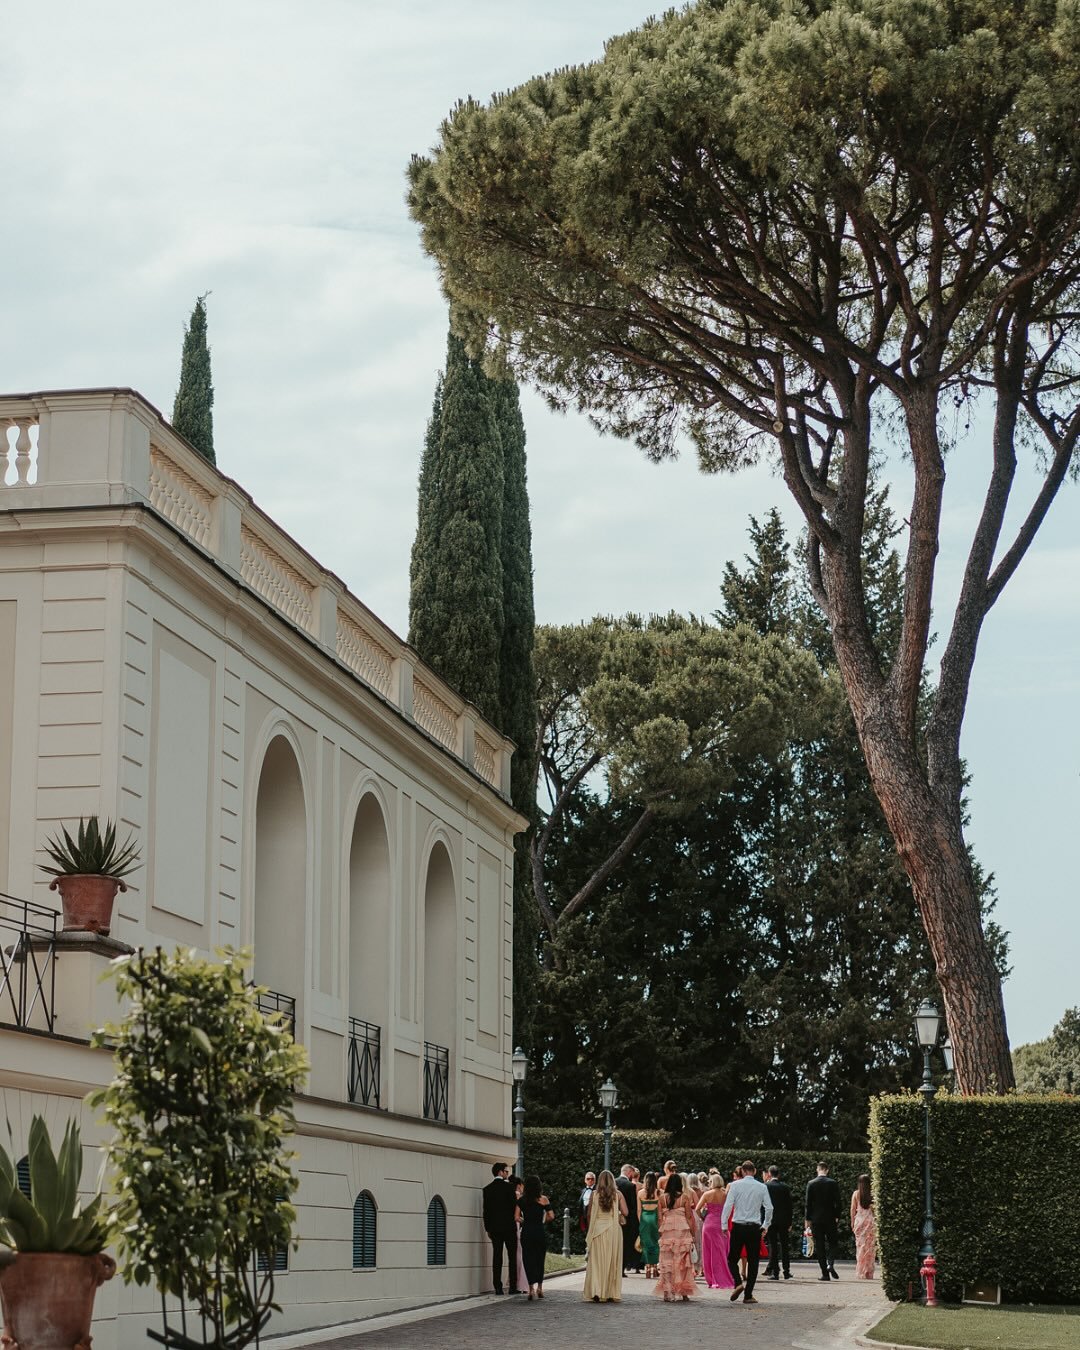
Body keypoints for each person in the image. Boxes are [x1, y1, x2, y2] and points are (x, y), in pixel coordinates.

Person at [720, 1159, 772, 1305]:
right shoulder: (761, 1187)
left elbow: (728, 1205)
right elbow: (769, 1208)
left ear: (742, 1171)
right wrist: (765, 1225)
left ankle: (737, 1282)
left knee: (732, 1259)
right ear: (754, 1171)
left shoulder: (735, 1186)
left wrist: (724, 1225)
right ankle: (748, 1294)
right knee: (753, 1261)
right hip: (754, 1227)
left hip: (738, 1226)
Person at [582, 1169, 627, 1303]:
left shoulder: (594, 1195)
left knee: (596, 1262)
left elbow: (589, 1214)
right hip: (613, 1230)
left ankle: (597, 1290)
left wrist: (592, 1228)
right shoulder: (617, 1194)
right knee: (612, 1261)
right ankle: (610, 1292)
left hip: (597, 1229)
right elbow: (626, 1212)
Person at [655, 1171, 697, 1302]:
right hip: (682, 1229)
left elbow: (659, 1218)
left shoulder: (662, 1198)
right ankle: (683, 1291)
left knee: (667, 1261)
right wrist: (692, 1233)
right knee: (683, 1261)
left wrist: (661, 1232)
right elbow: (689, 1217)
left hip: (667, 1230)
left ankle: (668, 1292)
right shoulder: (684, 1197)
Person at [482, 1161, 519, 1294]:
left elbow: (486, 1211)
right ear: (500, 1172)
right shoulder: (510, 1187)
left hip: (495, 1228)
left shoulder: (487, 1189)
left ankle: (498, 1287)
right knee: (512, 1257)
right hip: (509, 1227)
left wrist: (488, 1228)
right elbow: (514, 1206)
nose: (507, 1174)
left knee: (497, 1257)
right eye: (506, 1171)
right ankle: (513, 1287)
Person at [695, 1170, 733, 1289]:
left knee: (708, 1251)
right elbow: (730, 1209)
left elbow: (697, 1209)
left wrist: (703, 1218)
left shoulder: (707, 1194)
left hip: (709, 1223)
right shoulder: (726, 1195)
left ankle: (711, 1278)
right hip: (721, 1224)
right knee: (722, 1252)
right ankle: (723, 1276)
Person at [805, 1161, 842, 1281]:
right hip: (830, 1217)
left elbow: (808, 1204)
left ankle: (825, 1274)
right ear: (827, 1170)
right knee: (833, 1242)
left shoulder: (811, 1183)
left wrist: (807, 1219)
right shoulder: (833, 1183)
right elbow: (838, 1202)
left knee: (819, 1245)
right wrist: (837, 1215)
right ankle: (830, 1263)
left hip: (816, 1219)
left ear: (818, 1169)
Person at [519, 1175, 555, 1299]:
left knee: (528, 1259)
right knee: (540, 1258)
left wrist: (524, 1221)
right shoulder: (543, 1199)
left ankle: (530, 1289)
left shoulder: (522, 1200)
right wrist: (543, 1221)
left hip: (527, 1231)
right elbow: (551, 1215)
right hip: (539, 1231)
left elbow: (516, 1217)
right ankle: (540, 1287)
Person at [764, 1165, 794, 1281]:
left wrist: (764, 1222)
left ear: (769, 1174)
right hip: (783, 1220)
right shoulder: (785, 1188)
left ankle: (775, 1272)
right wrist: (790, 1222)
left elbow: (764, 1205)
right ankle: (787, 1271)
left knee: (773, 1245)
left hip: (771, 1220)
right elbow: (789, 1206)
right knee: (785, 1246)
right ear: (779, 1174)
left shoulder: (766, 1187)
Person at [615, 1164, 641, 1274]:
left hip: (613, 1218)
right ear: (629, 1172)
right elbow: (633, 1206)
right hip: (626, 1220)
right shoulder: (630, 1186)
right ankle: (621, 1269)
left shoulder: (613, 1182)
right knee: (625, 1244)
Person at [850, 1173, 876, 1280]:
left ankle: (860, 1270)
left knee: (860, 1247)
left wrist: (852, 1222)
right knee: (870, 1248)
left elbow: (852, 1209)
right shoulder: (872, 1194)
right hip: (870, 1222)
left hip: (859, 1221)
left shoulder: (856, 1194)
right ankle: (868, 1272)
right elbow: (874, 1210)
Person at [638, 1171, 660, 1278]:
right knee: (655, 1243)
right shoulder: (660, 1192)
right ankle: (655, 1267)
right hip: (655, 1218)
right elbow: (660, 1210)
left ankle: (647, 1267)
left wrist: (640, 1222)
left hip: (644, 1218)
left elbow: (638, 1210)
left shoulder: (640, 1193)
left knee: (646, 1244)